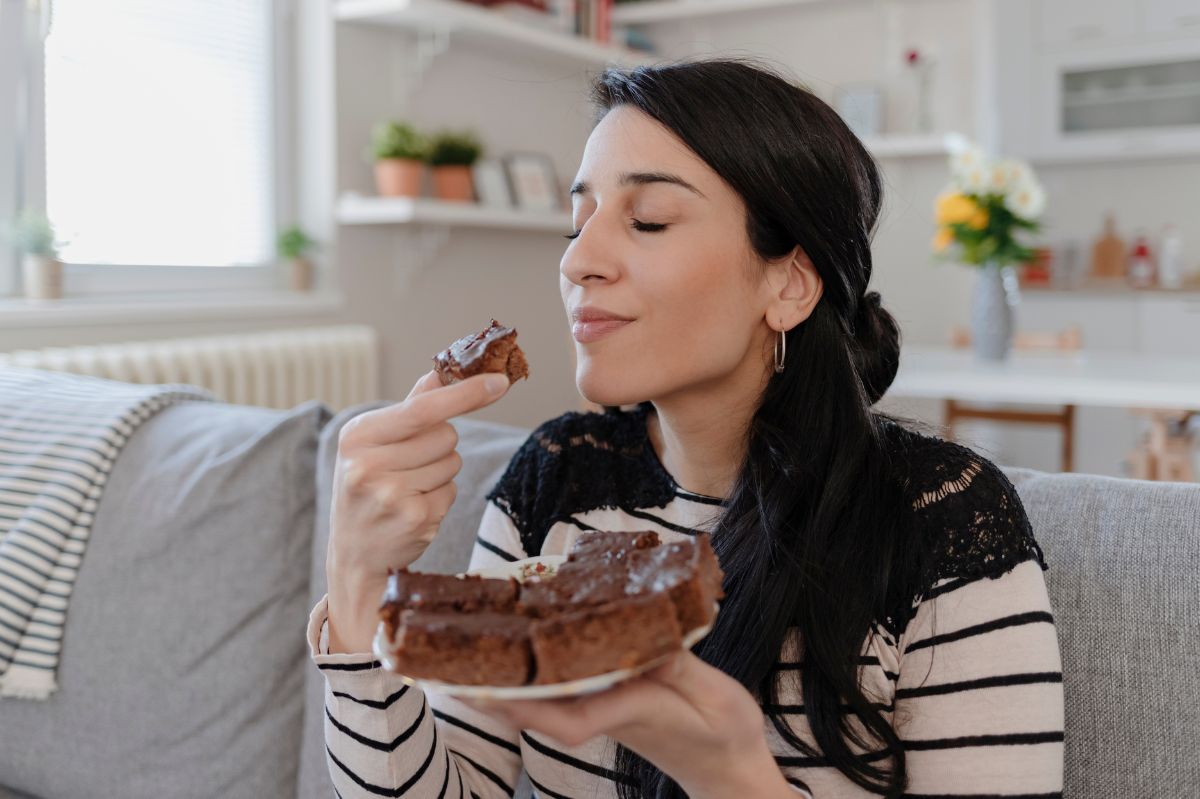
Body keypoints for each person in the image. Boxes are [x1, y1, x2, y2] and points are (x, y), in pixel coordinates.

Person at [310, 57, 1064, 799]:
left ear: (789, 283)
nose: (579, 260)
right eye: (578, 222)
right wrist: (353, 580)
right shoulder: (557, 477)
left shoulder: (941, 520)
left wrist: (726, 776)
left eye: (648, 219)